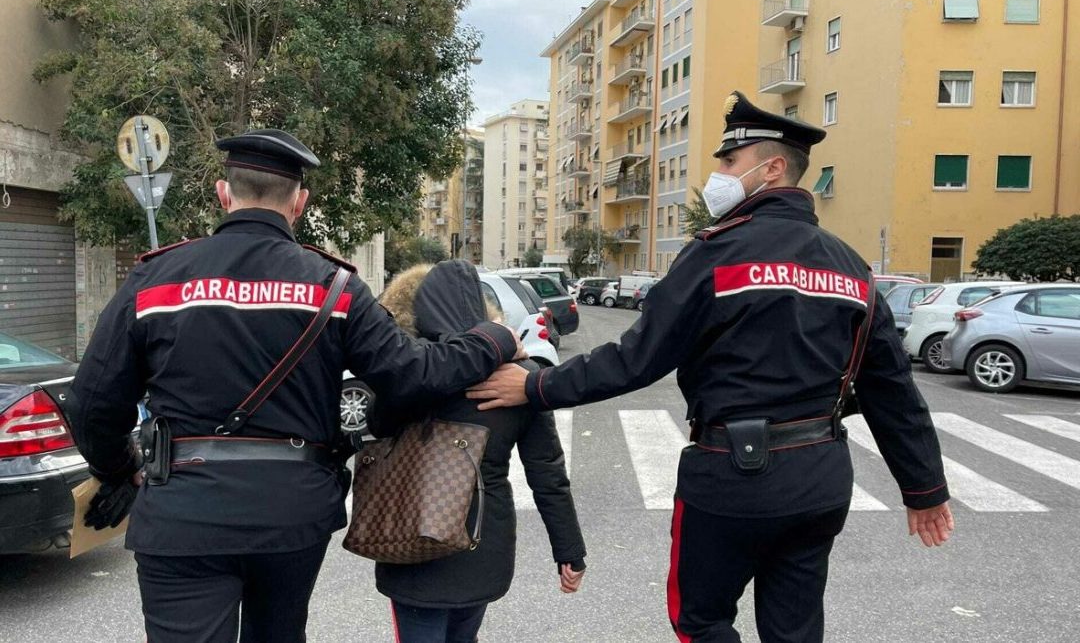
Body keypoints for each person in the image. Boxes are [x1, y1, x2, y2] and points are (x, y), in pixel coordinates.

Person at [467, 92, 954, 643]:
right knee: (795, 628)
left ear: (771, 169)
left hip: (733, 477)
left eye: (728, 162)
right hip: (820, 476)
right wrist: (924, 490)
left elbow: (636, 357)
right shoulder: (850, 265)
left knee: (700, 620)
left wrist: (535, 385)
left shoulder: (717, 253)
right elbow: (890, 385)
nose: (718, 173)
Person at [69, 129, 522, 643]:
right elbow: (415, 374)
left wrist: (121, 470)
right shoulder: (334, 286)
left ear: (224, 193)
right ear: (299, 202)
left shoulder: (155, 281)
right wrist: (494, 339)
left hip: (181, 513)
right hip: (290, 517)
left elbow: (91, 403)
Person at [369, 260, 587, 643]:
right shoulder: (519, 377)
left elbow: (375, 425)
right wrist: (569, 549)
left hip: (410, 538)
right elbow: (547, 472)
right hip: (482, 542)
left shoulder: (415, 369)